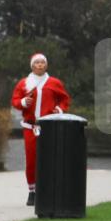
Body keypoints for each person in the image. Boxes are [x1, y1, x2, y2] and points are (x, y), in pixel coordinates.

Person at [10, 53, 71, 206]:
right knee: (31, 160)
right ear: (32, 66)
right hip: (30, 126)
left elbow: (65, 99)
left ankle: (48, 190)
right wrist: (23, 102)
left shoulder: (54, 82)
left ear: (46, 65)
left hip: (49, 126)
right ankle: (32, 191)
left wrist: (59, 109)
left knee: (49, 158)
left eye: (43, 62)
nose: (40, 65)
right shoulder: (24, 83)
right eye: (37, 63)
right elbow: (15, 100)